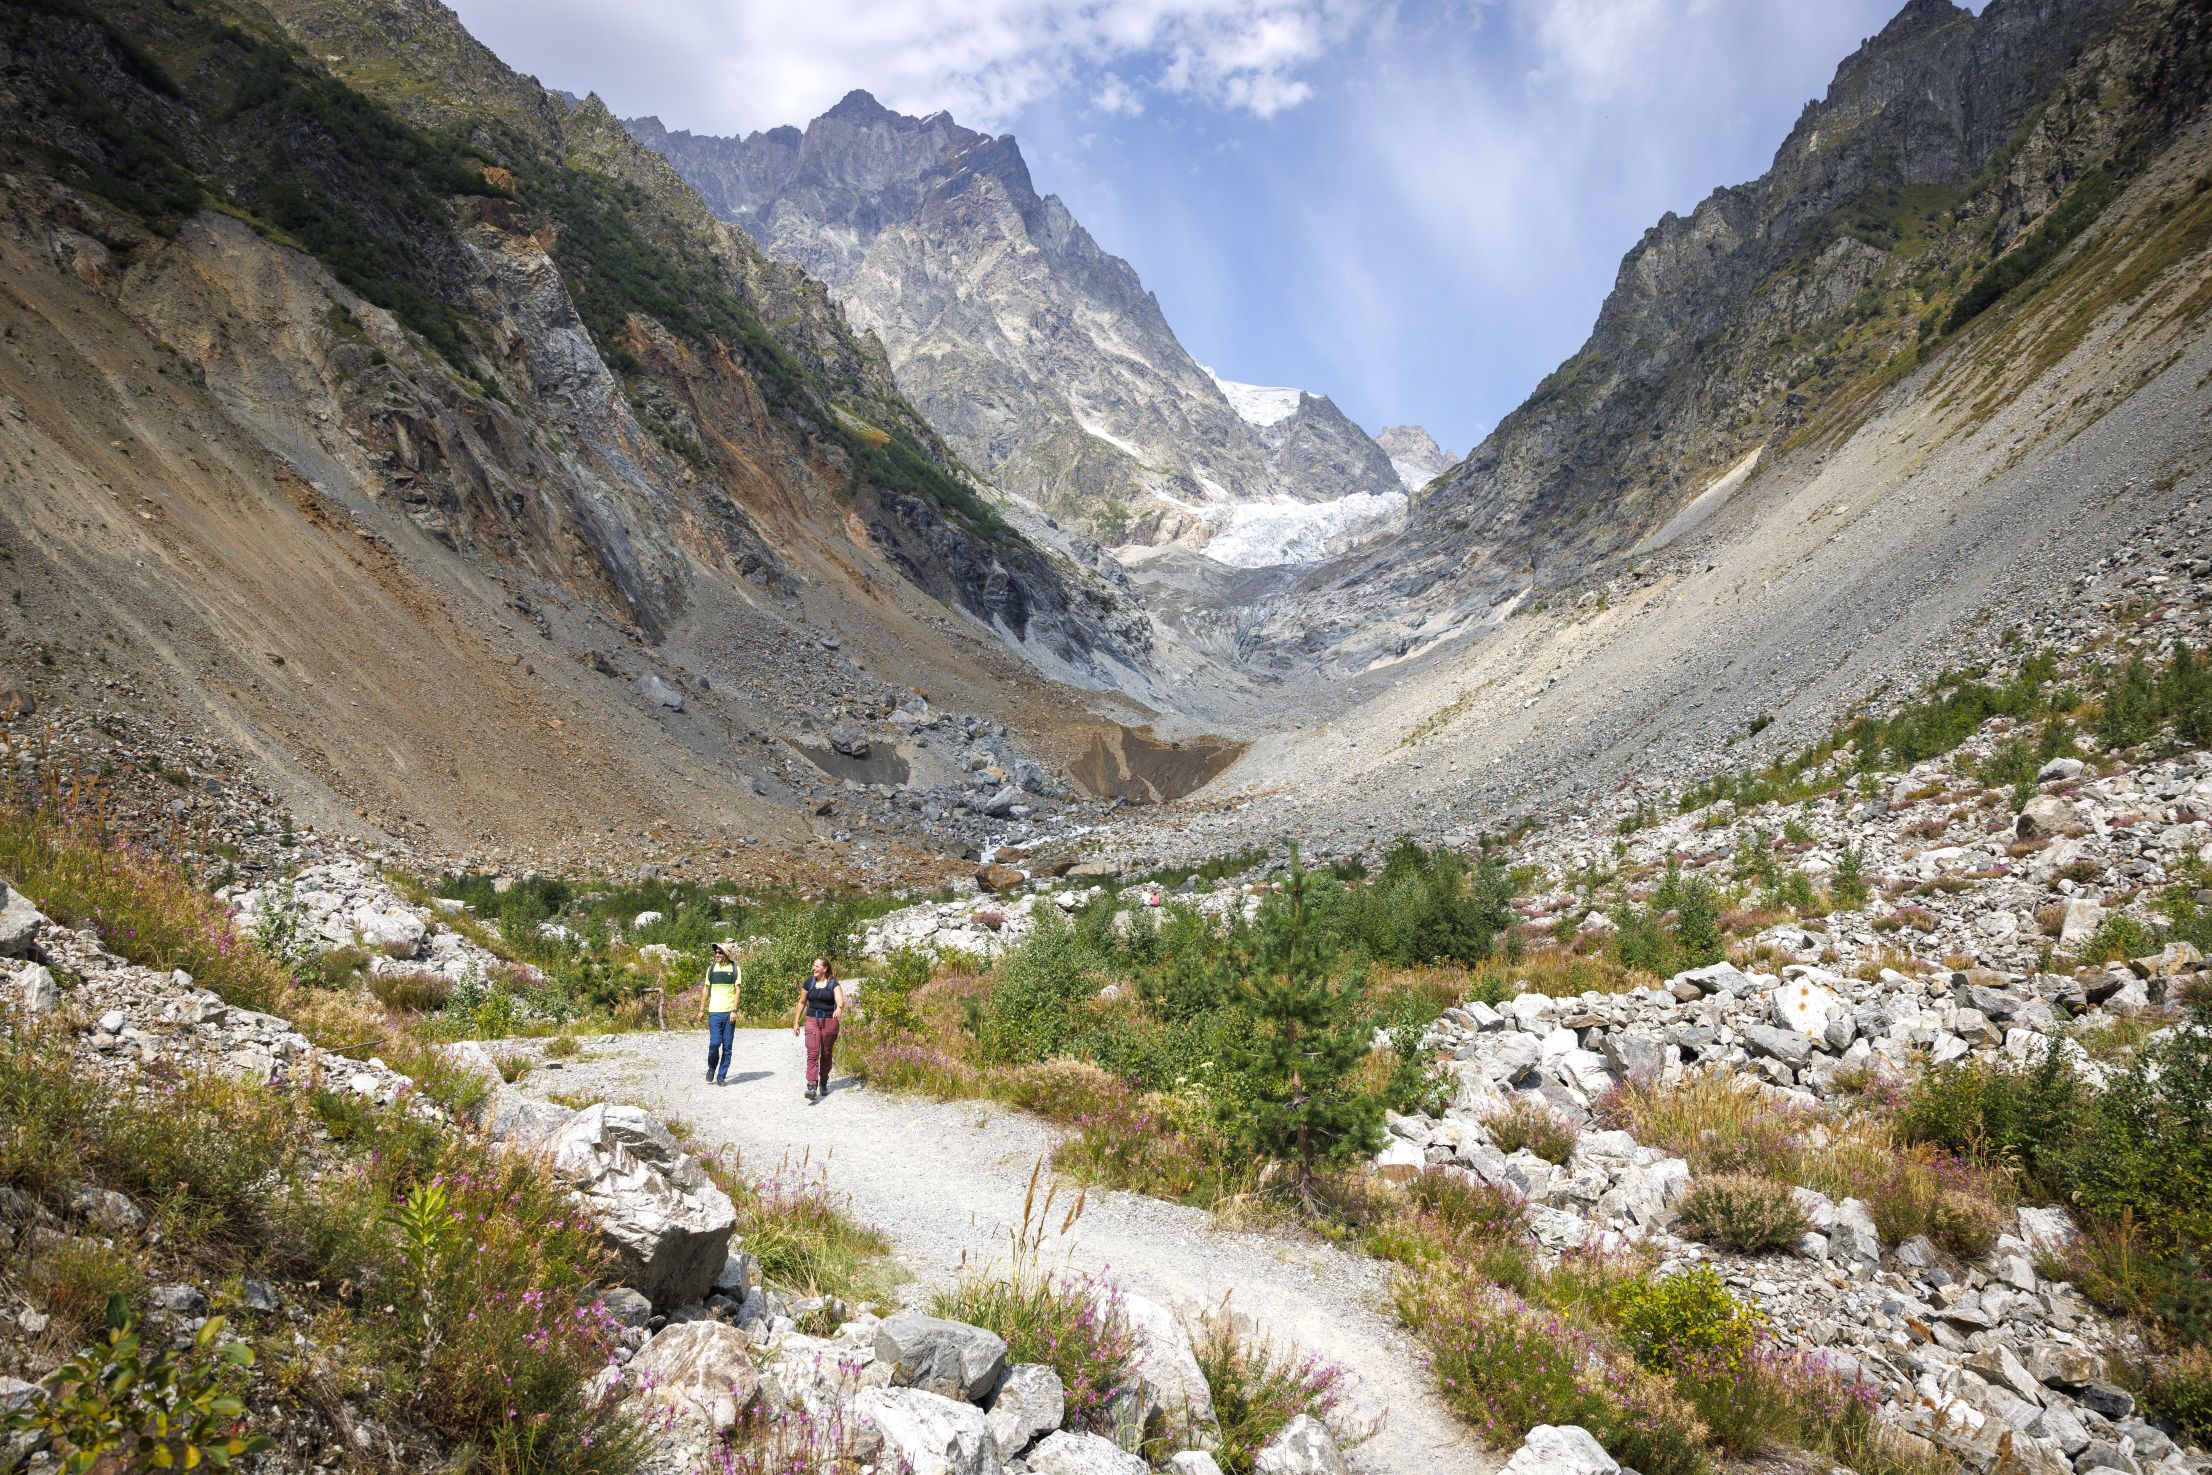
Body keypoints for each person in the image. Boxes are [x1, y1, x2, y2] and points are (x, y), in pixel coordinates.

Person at [792, 955, 844, 1103]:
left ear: (825, 968)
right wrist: (796, 1022)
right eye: (813, 965)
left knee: (826, 1053)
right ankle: (811, 1086)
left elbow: (839, 999)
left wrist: (839, 1008)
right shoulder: (809, 983)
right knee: (812, 1053)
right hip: (812, 1020)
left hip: (829, 1021)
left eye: (817, 966)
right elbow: (801, 1003)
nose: (813, 968)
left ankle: (824, 1081)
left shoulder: (833, 983)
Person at [701, 941, 742, 1086]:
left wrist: (734, 1010)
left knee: (727, 1046)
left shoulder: (735, 968)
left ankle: (721, 1076)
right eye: (716, 952)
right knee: (714, 1043)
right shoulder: (711, 969)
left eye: (720, 952)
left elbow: (738, 991)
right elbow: (706, 989)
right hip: (714, 1011)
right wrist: (701, 1009)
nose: (717, 954)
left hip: (729, 1012)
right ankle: (712, 1067)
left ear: (726, 954)